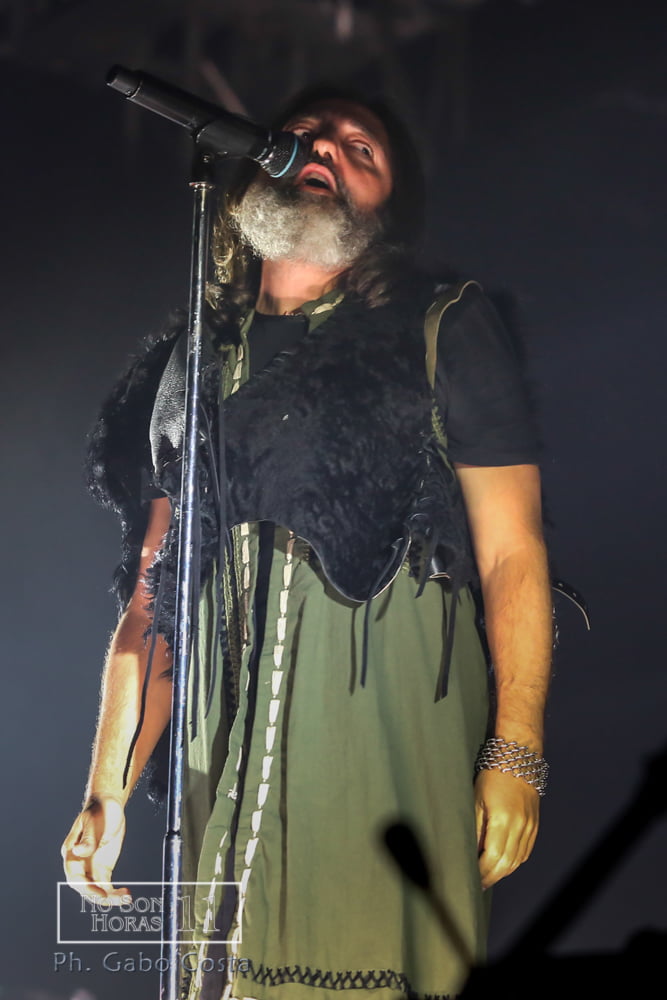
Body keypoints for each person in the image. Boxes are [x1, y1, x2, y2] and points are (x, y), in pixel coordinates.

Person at [62, 86, 553, 1000]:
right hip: (218, 751)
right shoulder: (192, 360)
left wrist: (515, 750)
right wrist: (107, 789)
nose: (325, 148)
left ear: (385, 211)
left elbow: (512, 554)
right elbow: (154, 592)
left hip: (383, 743)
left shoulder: (442, 326)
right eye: (304, 135)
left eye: (361, 149)